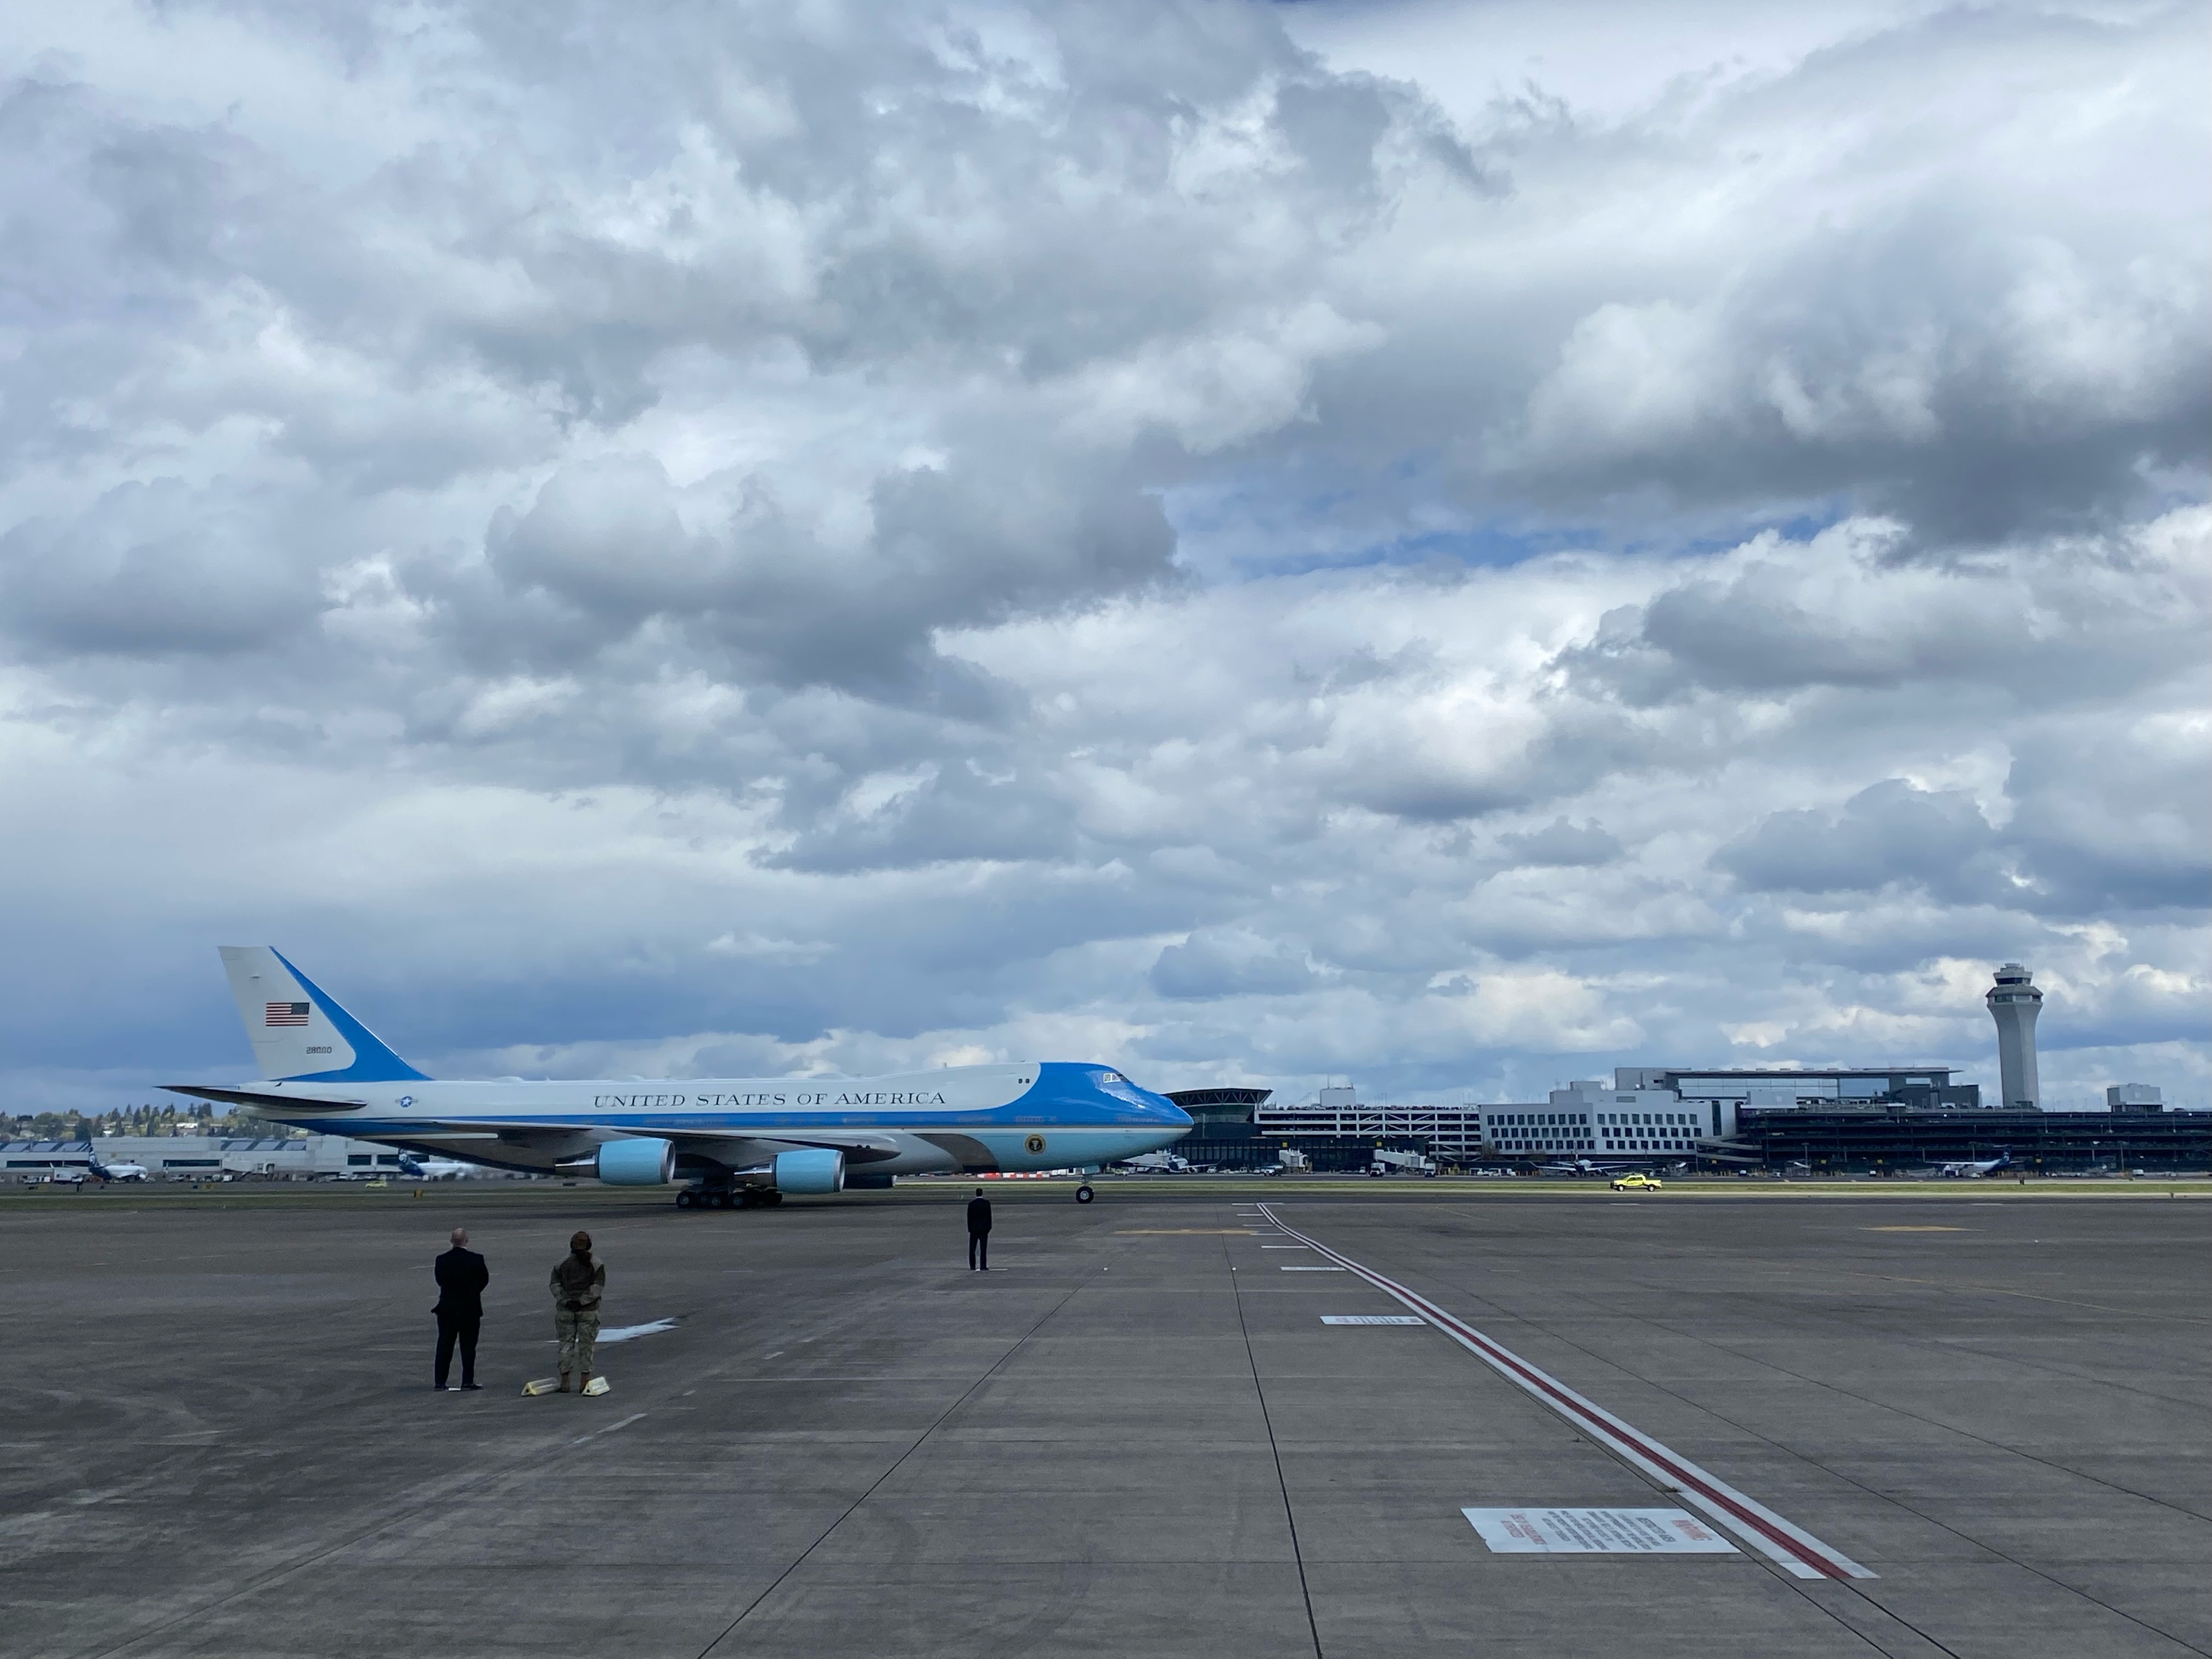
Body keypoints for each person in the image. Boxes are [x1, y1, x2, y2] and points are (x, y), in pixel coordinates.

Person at [432, 1227, 489, 1392]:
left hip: (447, 1309)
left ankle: (440, 1381)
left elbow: (440, 1280)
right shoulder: (477, 1259)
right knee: (469, 1346)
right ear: (467, 1240)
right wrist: (471, 1292)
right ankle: (467, 1381)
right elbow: (484, 1280)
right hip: (470, 1309)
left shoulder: (442, 1260)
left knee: (444, 1345)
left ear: (452, 1241)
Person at [550, 1230, 606, 1392]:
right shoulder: (596, 1264)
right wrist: (582, 1301)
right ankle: (584, 1379)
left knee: (565, 1346)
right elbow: (597, 1288)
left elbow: (555, 1285)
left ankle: (565, 1380)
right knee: (586, 1346)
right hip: (588, 1311)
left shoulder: (562, 1264)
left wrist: (566, 1300)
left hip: (566, 1310)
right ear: (589, 1245)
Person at [966, 1187, 992, 1271]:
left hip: (974, 1229)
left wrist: (970, 1229)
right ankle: (983, 1266)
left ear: (976, 1194)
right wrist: (988, 1228)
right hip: (984, 1229)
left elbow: (969, 1218)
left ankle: (972, 1266)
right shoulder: (986, 1203)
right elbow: (989, 1217)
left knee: (972, 1249)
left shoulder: (971, 1204)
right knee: (983, 1249)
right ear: (982, 1194)